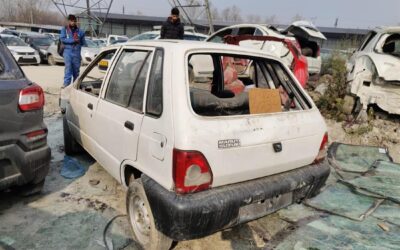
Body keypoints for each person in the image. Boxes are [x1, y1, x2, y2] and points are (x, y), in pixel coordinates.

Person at [60, 14, 86, 87]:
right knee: (68, 69)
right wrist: (73, 40)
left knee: (76, 71)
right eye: (71, 21)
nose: (73, 22)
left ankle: (75, 86)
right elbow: (62, 39)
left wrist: (79, 42)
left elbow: (83, 42)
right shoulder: (64, 29)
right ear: (69, 21)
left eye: (74, 21)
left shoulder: (80, 31)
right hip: (68, 52)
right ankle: (66, 85)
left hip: (76, 53)